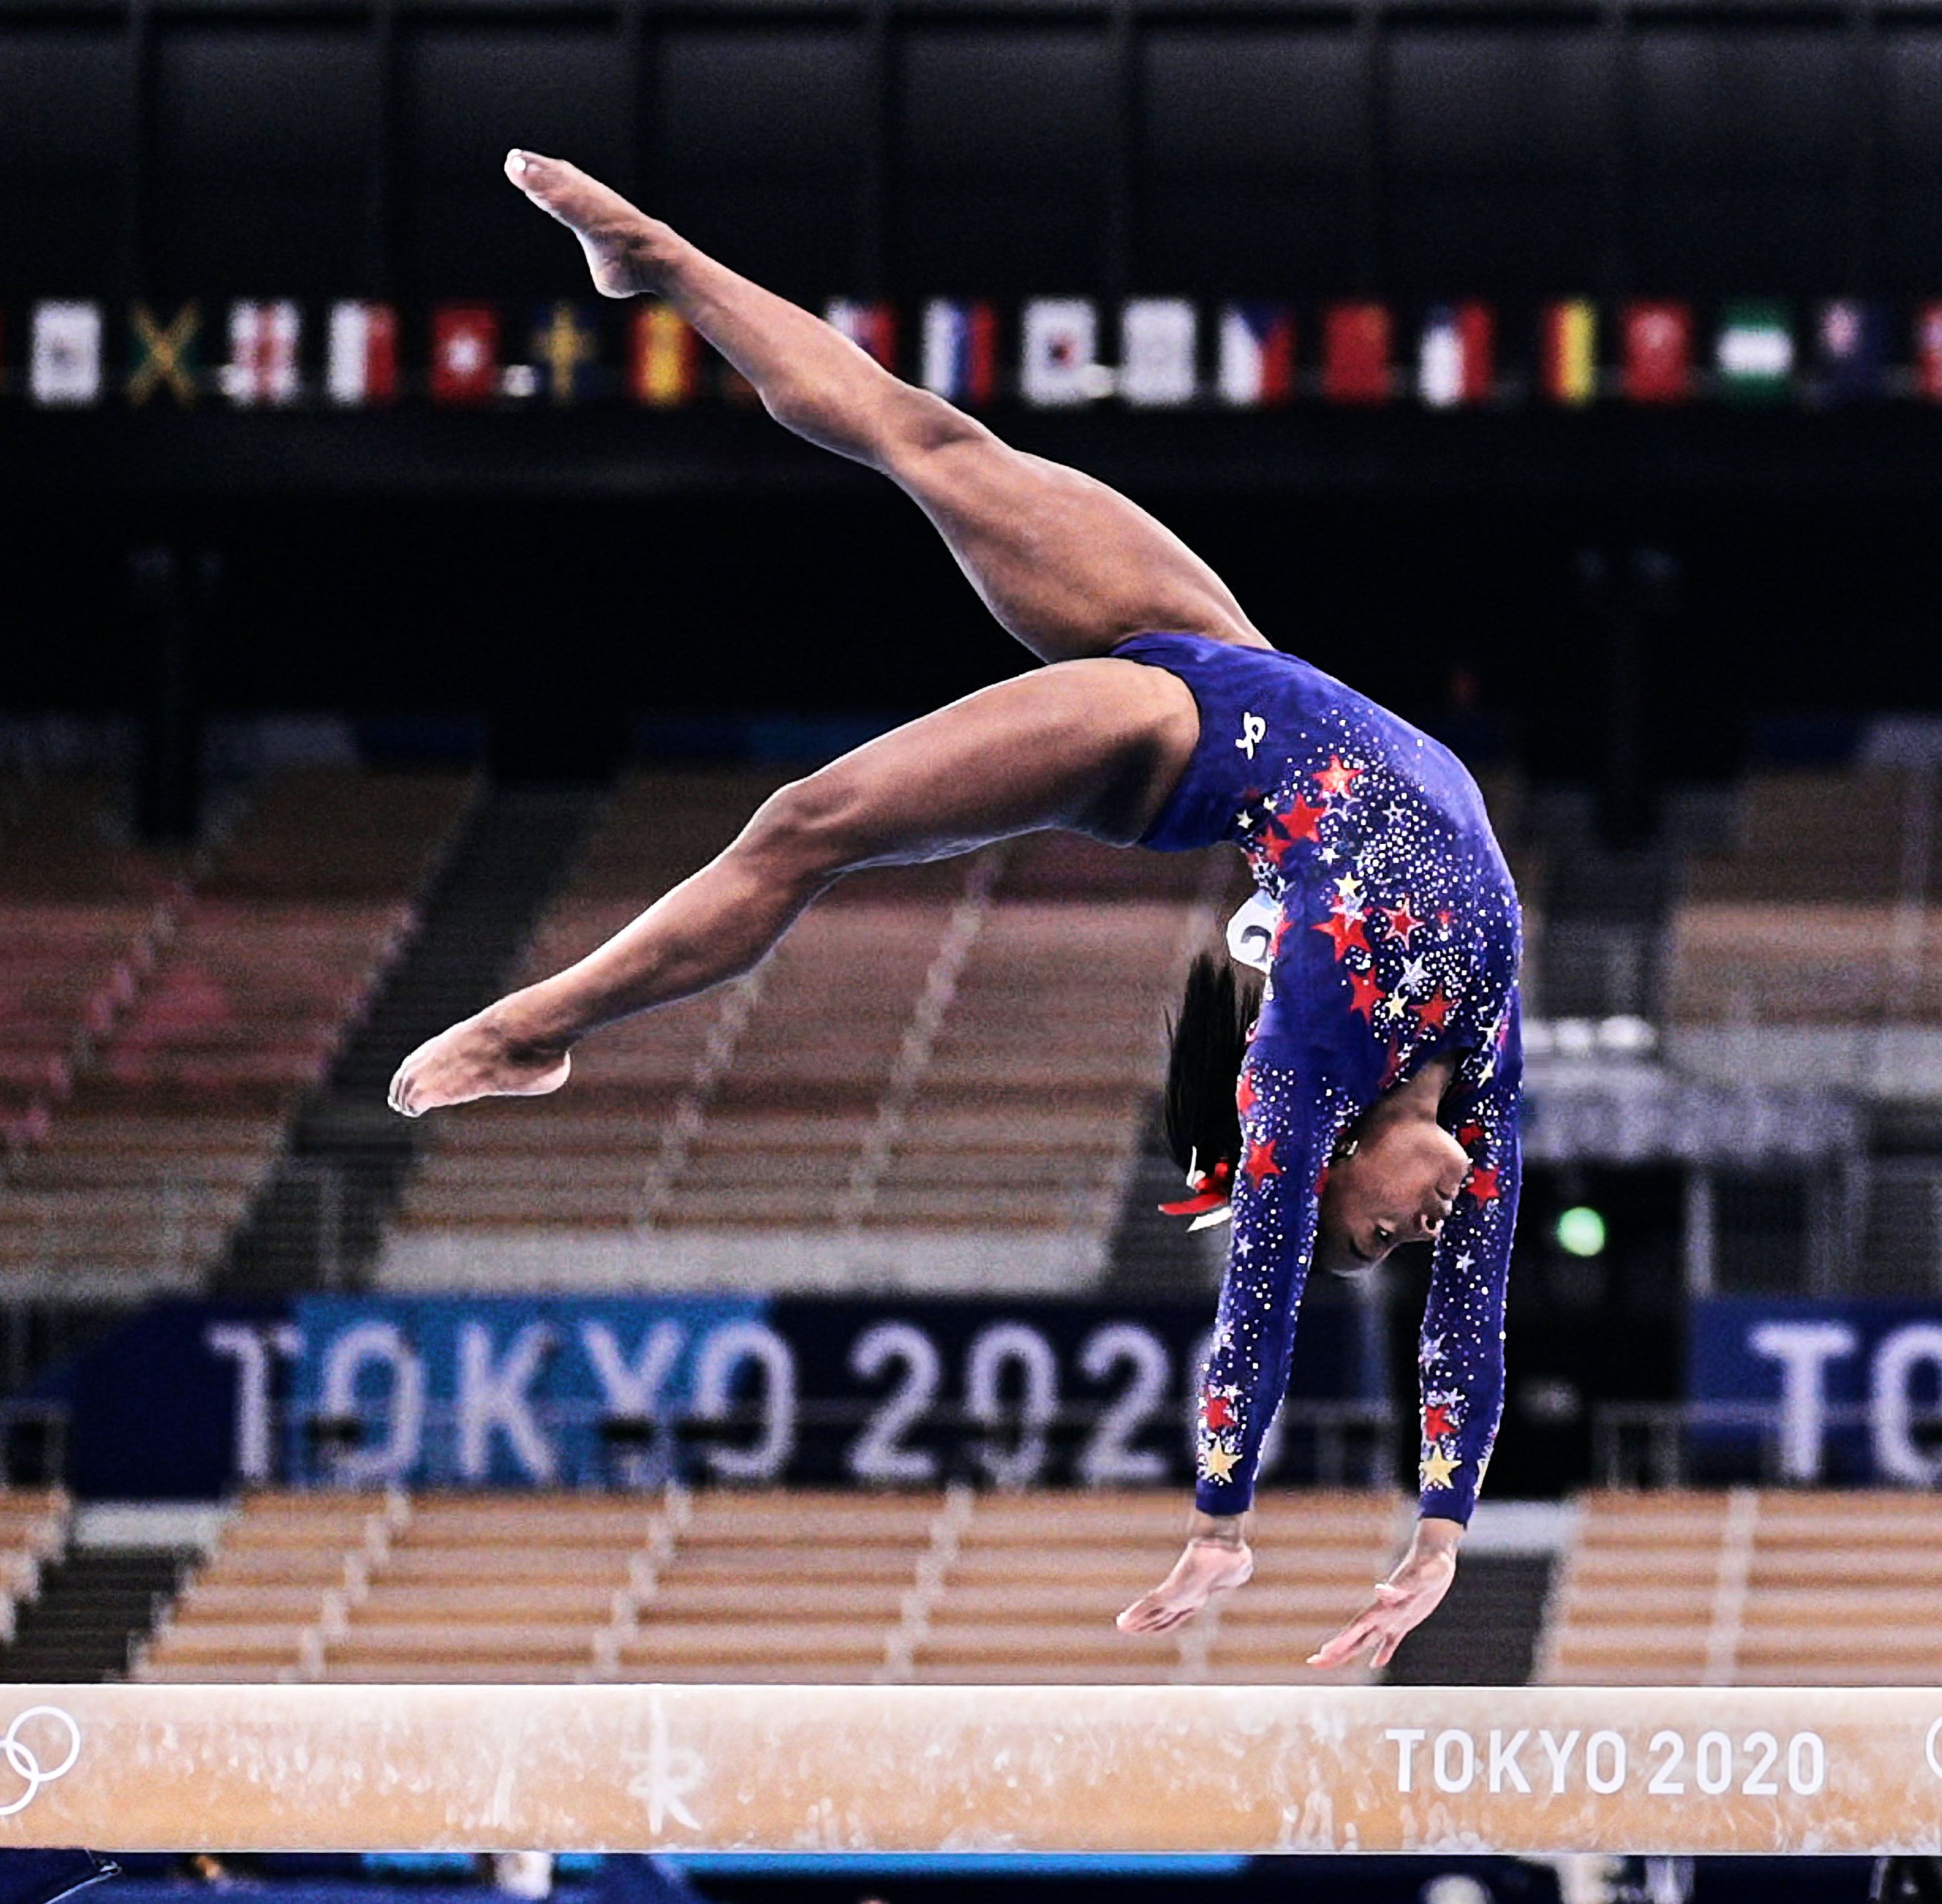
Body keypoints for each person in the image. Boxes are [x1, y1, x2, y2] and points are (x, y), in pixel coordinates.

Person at [387, 150, 1525, 1670]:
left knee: (806, 825)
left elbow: (1260, 1269)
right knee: (928, 433)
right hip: (1236, 661)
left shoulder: (1320, 1049)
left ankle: (539, 1023)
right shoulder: (1489, 1062)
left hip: (1177, 739)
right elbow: (1478, 1321)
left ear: (1333, 1169)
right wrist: (1443, 1523)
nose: (1429, 1224)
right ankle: (658, 257)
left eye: (1376, 1239)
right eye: (1404, 1238)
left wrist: (1221, 1514)